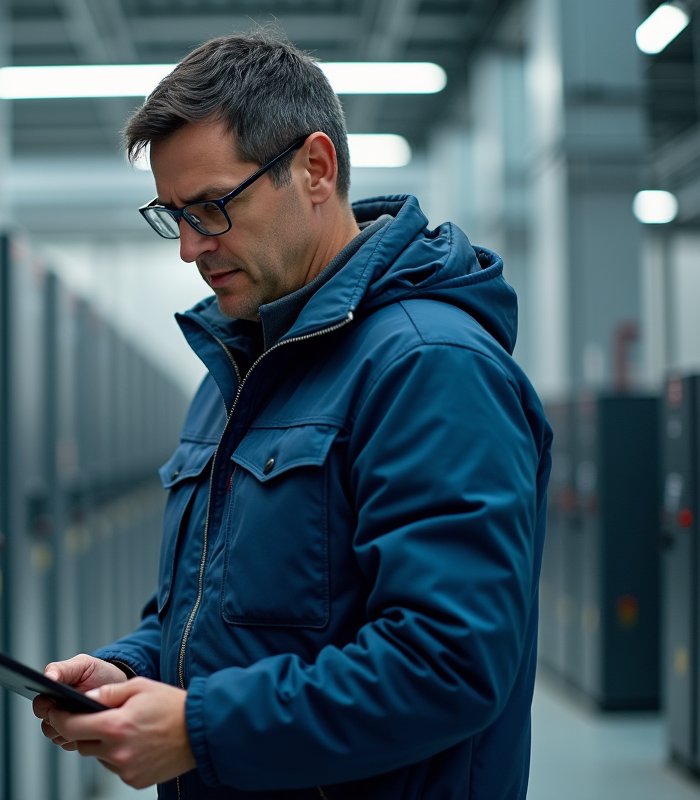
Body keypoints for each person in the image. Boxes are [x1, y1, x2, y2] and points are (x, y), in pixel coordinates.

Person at [31, 27, 552, 800]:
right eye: (172, 214)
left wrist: (196, 728)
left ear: (315, 168)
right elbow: (220, 608)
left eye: (210, 207)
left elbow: (449, 661)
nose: (188, 248)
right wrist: (134, 666)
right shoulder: (241, 364)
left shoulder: (428, 366)